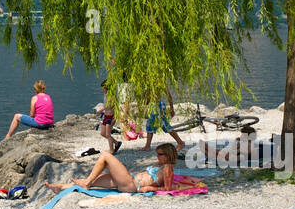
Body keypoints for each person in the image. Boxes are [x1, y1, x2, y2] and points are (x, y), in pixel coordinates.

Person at [46, 144, 202, 194]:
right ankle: (60, 187)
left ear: (167, 155)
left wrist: (147, 188)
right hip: (130, 181)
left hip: (133, 184)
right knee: (94, 183)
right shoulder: (161, 165)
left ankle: (86, 182)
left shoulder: (168, 168)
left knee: (106, 156)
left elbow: (167, 187)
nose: (157, 156)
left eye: (160, 154)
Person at [142, 88, 185, 153]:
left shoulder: (160, 82)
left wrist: (171, 108)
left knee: (164, 125)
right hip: (152, 106)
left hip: (158, 106)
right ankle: (147, 146)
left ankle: (180, 142)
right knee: (150, 124)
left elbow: (168, 95)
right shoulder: (148, 82)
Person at [96, 81, 121, 153]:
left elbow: (110, 106)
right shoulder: (105, 95)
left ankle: (112, 150)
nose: (102, 90)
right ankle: (116, 143)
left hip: (111, 117)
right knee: (103, 133)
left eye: (103, 88)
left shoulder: (112, 96)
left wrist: (101, 110)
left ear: (107, 88)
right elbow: (105, 105)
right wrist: (102, 110)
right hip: (106, 116)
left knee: (108, 134)